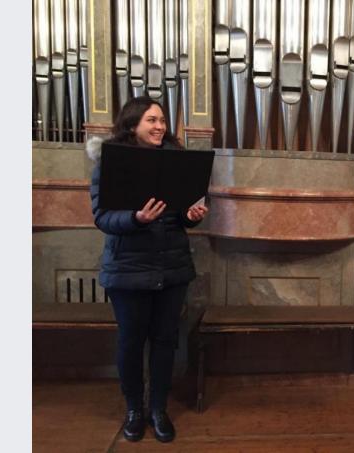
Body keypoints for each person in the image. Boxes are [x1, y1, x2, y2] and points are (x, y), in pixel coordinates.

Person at [86, 96, 208, 443]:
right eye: (151, 120)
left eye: (163, 121)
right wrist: (136, 218)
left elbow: (183, 212)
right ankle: (134, 410)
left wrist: (192, 215)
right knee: (130, 342)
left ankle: (158, 408)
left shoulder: (177, 162)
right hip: (128, 268)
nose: (159, 127)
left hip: (172, 267)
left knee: (165, 341)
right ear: (132, 125)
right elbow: (103, 218)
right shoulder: (110, 164)